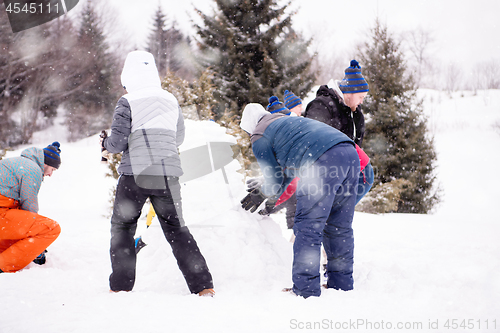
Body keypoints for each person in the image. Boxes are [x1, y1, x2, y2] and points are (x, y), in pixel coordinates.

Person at [101, 50, 214, 296]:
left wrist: (106, 144)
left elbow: (118, 143)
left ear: (128, 77)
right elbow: (179, 137)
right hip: (168, 175)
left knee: (122, 227)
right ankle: (203, 285)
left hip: (135, 175)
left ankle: (120, 286)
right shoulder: (170, 99)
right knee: (176, 229)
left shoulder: (127, 101)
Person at [240, 103, 360, 298]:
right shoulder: (285, 123)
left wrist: (261, 193)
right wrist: (273, 197)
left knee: (308, 227)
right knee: (339, 226)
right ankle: (341, 284)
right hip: (349, 153)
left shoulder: (259, 135)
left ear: (249, 127)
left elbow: (274, 178)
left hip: (322, 160)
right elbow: (286, 171)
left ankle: (306, 289)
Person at [304, 60, 374, 203]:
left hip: (346, 168)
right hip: (324, 168)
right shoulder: (323, 105)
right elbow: (311, 137)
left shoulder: (356, 112)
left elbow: (357, 141)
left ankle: (338, 213)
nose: (361, 101)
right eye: (361, 97)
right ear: (350, 93)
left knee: (366, 176)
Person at [0, 142, 62, 273]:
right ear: (47, 163)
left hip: (3, 214)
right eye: (53, 170)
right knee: (50, 228)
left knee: (12, 244)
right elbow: (29, 205)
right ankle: (3, 265)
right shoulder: (33, 169)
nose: (50, 174)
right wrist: (36, 244)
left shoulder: (16, 162)